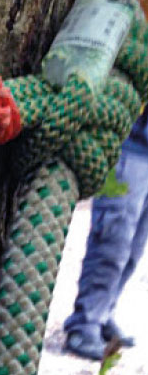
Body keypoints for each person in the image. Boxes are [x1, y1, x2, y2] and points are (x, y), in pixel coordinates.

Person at [63, 108, 148, 360]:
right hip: (129, 145)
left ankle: (103, 312)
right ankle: (84, 324)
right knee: (112, 240)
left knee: (135, 247)